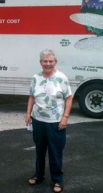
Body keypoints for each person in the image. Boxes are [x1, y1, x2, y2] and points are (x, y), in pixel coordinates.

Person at [25, 49, 73, 193]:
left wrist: (65, 117)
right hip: (38, 121)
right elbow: (32, 97)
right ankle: (39, 175)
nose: (48, 64)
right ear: (41, 63)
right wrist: (28, 114)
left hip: (55, 122)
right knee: (40, 151)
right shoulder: (36, 78)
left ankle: (57, 180)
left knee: (55, 152)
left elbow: (69, 98)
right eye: (45, 61)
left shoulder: (61, 78)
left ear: (55, 62)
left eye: (50, 61)